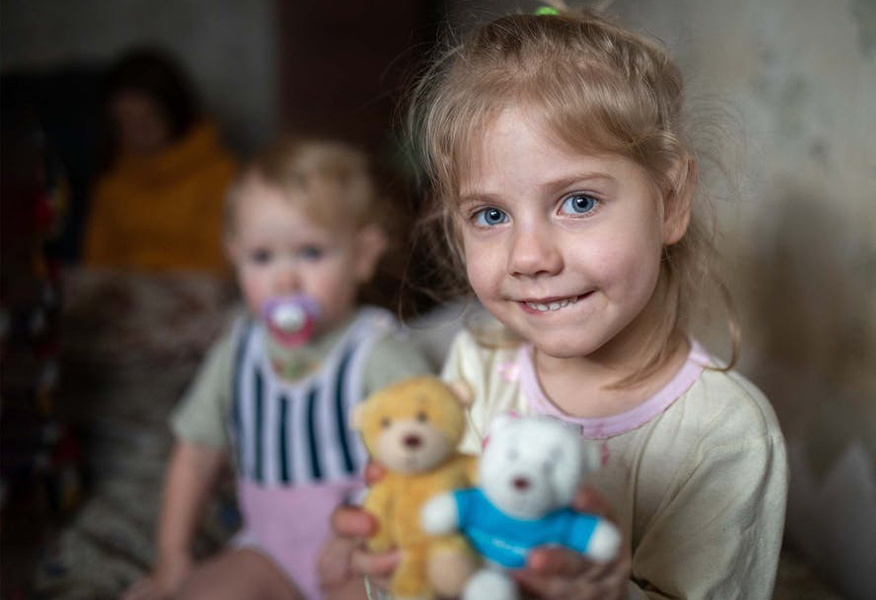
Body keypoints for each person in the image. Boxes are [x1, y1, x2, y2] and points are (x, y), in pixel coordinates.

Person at [328, 6, 788, 599]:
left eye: (578, 203)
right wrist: (388, 558)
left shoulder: (726, 435)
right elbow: (441, 554)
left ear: (670, 201)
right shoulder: (477, 367)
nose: (530, 257)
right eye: (491, 215)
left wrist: (604, 593)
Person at [123, 139, 433, 600]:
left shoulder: (376, 351)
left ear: (363, 255)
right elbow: (195, 453)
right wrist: (172, 556)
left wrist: (370, 533)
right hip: (266, 549)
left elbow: (426, 459)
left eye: (310, 253)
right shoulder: (238, 349)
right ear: (235, 256)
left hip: (358, 550)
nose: (284, 279)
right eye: (262, 257)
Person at [84, 47, 237, 273]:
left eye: (146, 120)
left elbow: (220, 264)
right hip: (124, 297)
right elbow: (95, 260)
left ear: (174, 112)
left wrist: (145, 267)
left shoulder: (219, 173)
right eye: (123, 123)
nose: (135, 134)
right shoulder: (112, 174)